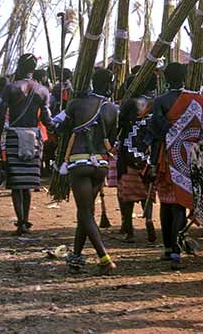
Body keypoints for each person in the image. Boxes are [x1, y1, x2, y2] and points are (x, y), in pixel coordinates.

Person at [58, 68, 118, 274]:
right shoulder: (112, 109)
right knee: (87, 213)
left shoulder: (76, 103)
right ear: (109, 85)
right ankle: (75, 256)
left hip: (78, 162)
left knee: (85, 212)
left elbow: (60, 127)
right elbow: (111, 139)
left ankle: (104, 258)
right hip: (100, 165)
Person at [149, 62, 200, 271]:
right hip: (188, 157)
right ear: (185, 78)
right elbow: (202, 131)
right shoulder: (196, 100)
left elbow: (157, 132)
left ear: (165, 79)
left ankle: (169, 248)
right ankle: (178, 251)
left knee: (166, 203)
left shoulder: (160, 101)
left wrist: (153, 163)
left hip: (166, 157)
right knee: (180, 203)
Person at [0, 55, 53, 235]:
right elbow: (47, 119)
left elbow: (0, 116)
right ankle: (26, 220)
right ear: (34, 69)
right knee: (27, 181)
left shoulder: (11, 88)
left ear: (19, 66)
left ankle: (20, 222)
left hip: (13, 136)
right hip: (33, 137)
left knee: (15, 181)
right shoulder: (42, 91)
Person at [115, 69, 152, 243]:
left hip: (128, 153)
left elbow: (120, 124)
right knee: (147, 190)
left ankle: (128, 229)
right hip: (147, 153)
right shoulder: (153, 102)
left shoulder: (129, 103)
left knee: (126, 193)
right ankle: (149, 221)